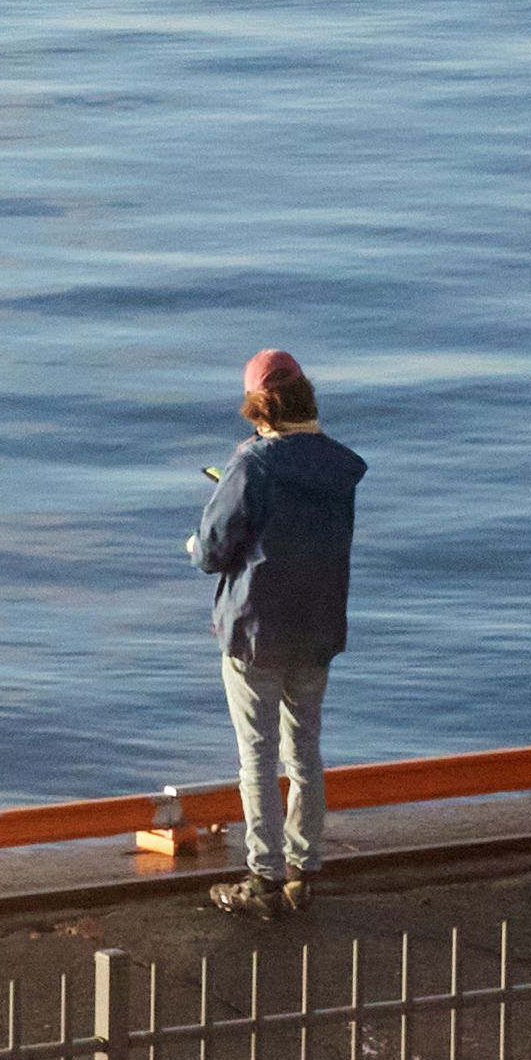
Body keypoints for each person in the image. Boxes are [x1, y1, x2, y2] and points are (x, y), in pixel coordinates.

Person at [186, 348, 364, 920]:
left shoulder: (252, 466)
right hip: (317, 628)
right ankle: (304, 870)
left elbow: (214, 551)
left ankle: (263, 876)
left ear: (259, 408)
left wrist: (196, 541)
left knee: (257, 757)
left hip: (256, 630)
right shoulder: (339, 467)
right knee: (304, 750)